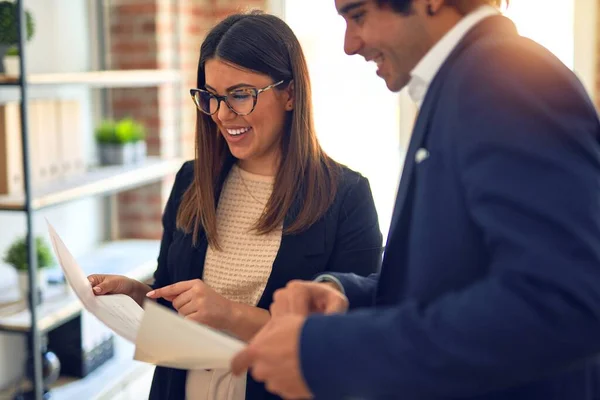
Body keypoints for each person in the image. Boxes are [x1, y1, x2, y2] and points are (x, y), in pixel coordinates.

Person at [231, 0, 600, 399]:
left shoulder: (507, 79)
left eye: (358, 16)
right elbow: (460, 275)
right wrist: (346, 295)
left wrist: (334, 352)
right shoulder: (462, 82)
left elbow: (564, 299)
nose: (349, 45)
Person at [87, 10, 383, 400]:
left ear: (290, 93)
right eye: (211, 97)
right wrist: (140, 296)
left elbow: (351, 339)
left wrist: (228, 314)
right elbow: (172, 293)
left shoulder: (345, 196)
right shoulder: (192, 181)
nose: (223, 115)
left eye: (241, 94)